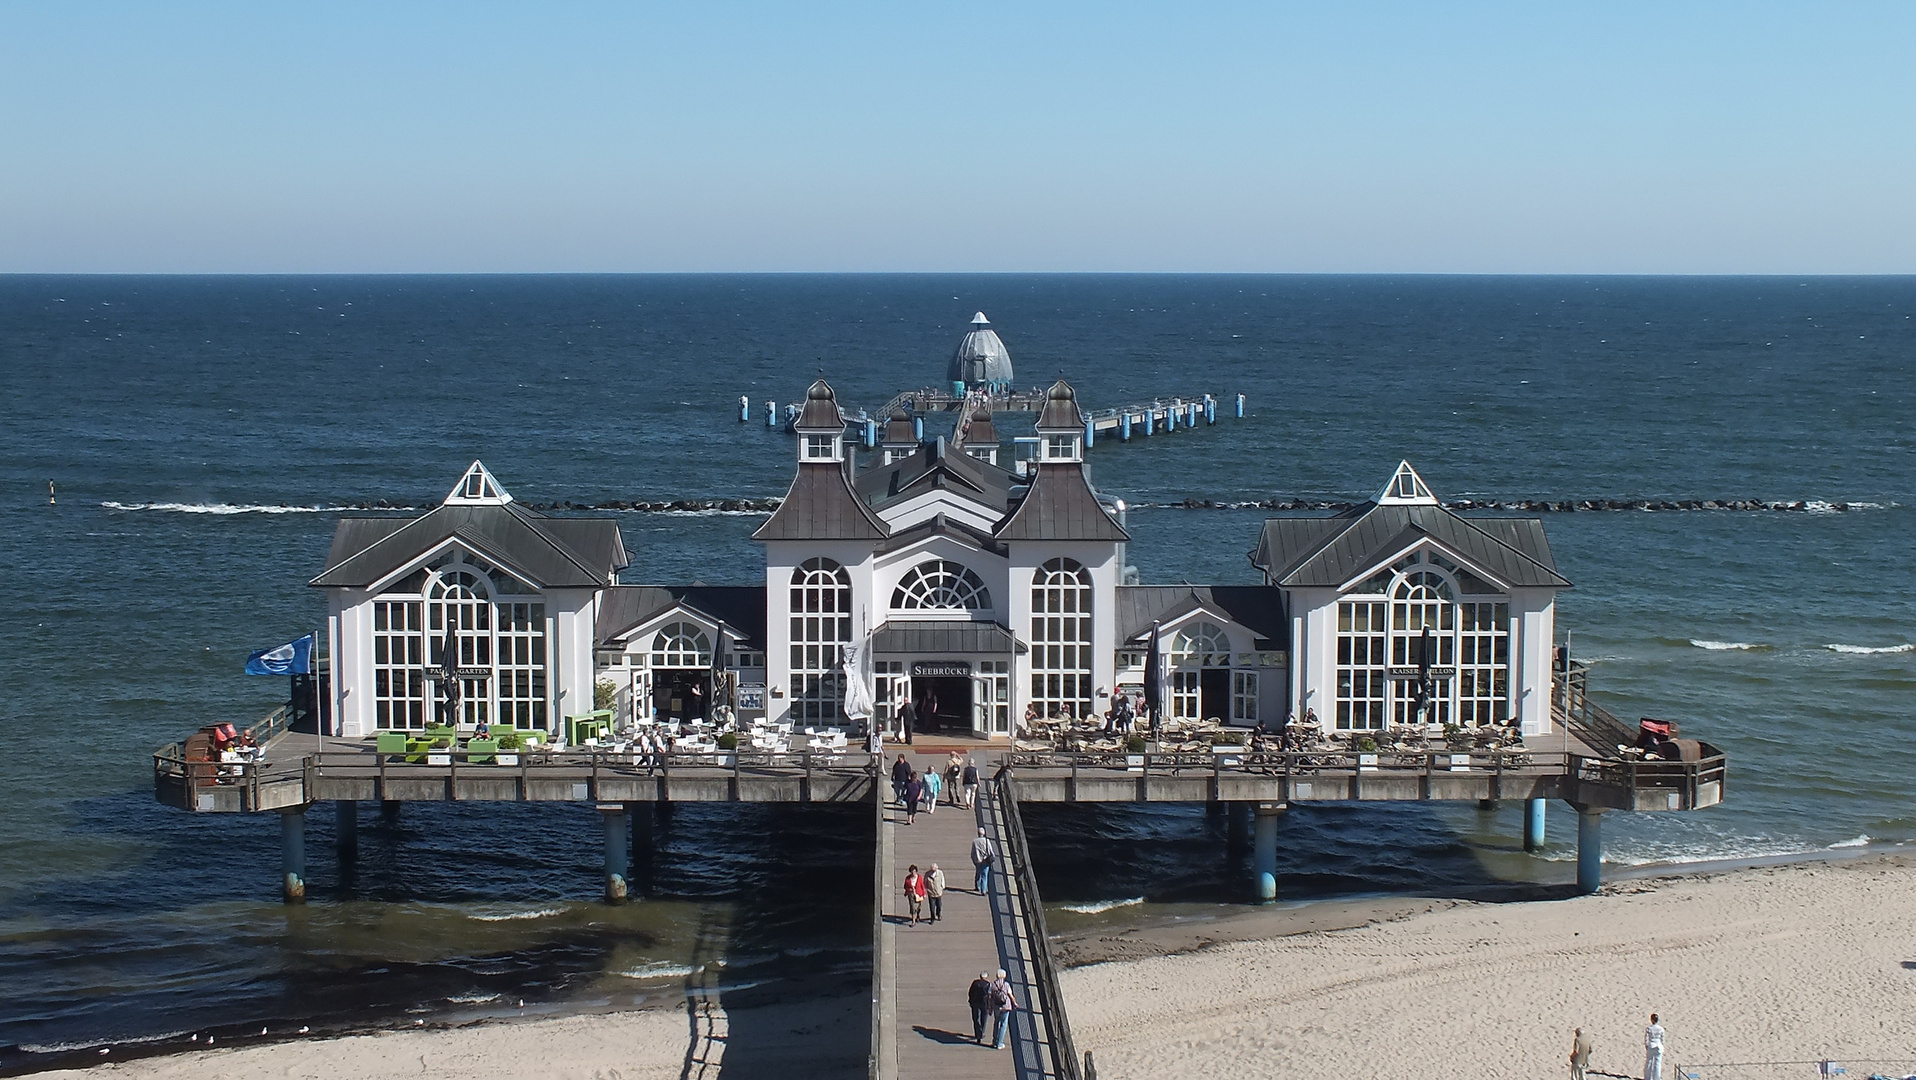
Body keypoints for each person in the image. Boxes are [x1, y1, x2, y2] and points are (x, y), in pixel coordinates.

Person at [987, 968, 1017, 1050]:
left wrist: (990, 1008)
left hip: (996, 1006)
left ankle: (994, 1042)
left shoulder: (992, 985)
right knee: (1003, 1024)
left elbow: (989, 997)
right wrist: (1014, 1003)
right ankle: (1000, 1043)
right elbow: (1010, 995)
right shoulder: (1006, 984)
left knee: (996, 1023)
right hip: (1006, 1006)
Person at [967, 971, 993, 1044]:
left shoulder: (975, 983)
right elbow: (990, 996)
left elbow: (970, 992)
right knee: (984, 1018)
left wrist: (971, 1000)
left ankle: (977, 1033)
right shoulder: (988, 985)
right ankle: (982, 1032)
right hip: (985, 1004)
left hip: (975, 1003)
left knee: (976, 1019)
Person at [971, 827, 995, 895]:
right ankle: (983, 890)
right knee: (984, 875)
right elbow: (991, 851)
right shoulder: (987, 841)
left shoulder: (975, 841)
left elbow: (973, 853)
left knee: (978, 873)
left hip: (978, 860)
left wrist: (974, 860)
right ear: (984, 833)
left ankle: (977, 886)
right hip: (986, 860)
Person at [1644, 1013, 1665, 1080]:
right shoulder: (1661, 1029)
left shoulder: (1649, 1028)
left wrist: (1646, 1045)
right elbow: (1662, 1039)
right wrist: (1662, 1045)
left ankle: (1648, 1077)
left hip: (1651, 1045)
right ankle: (1656, 1078)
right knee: (1657, 1063)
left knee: (1649, 1062)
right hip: (1658, 1046)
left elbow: (1646, 1038)